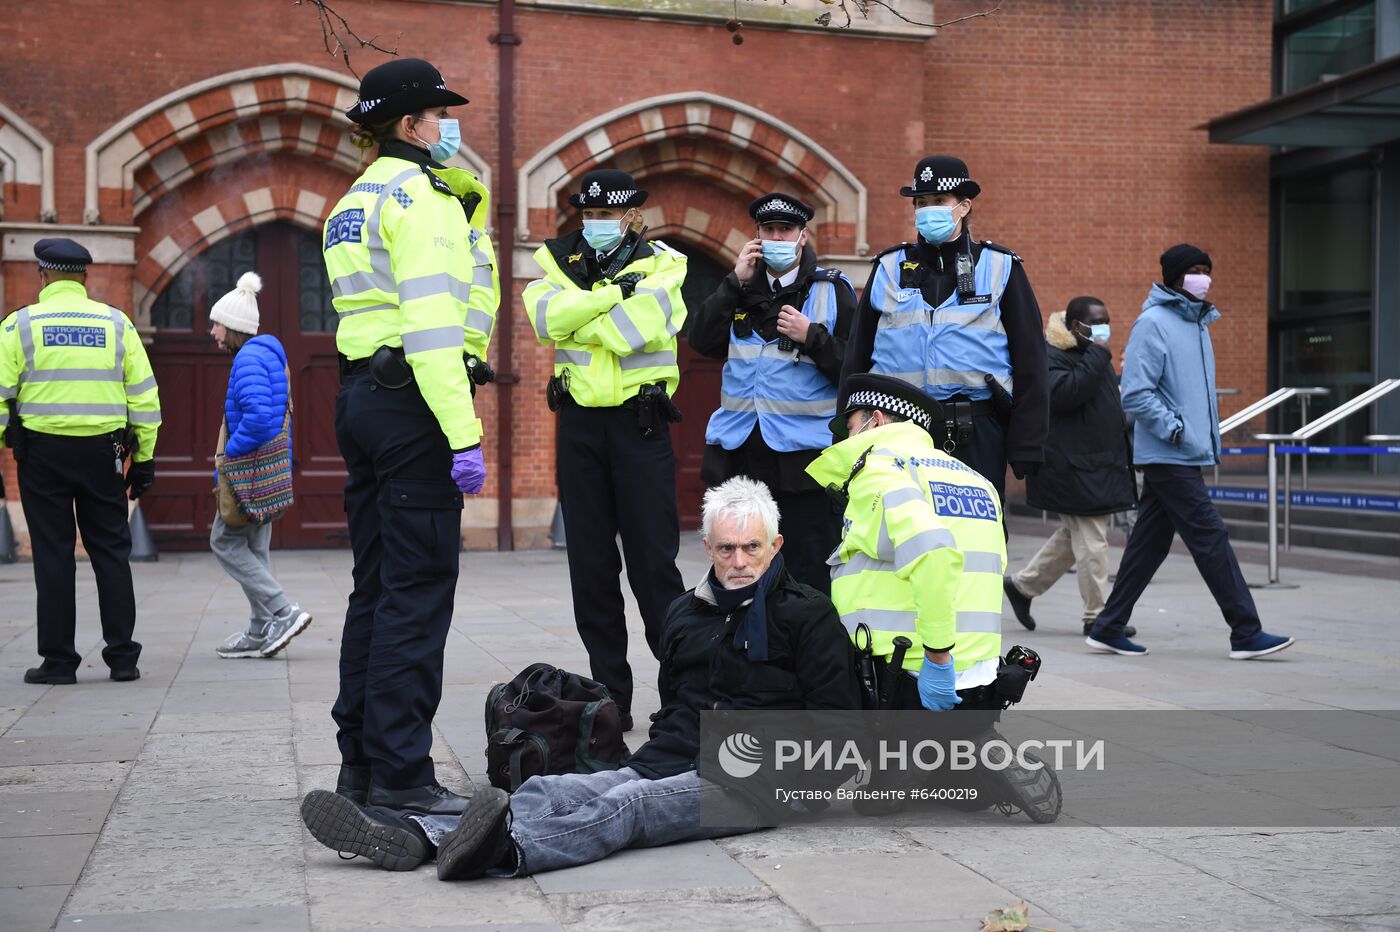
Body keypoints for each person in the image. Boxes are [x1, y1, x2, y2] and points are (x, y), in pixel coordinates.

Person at [300, 476, 860, 876]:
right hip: (674, 759)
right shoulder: (686, 614)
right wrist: (644, 762)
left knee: (628, 808)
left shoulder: (807, 614)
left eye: (752, 548)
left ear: (775, 546)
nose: (740, 561)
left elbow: (840, 728)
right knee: (552, 787)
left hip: (759, 781)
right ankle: (419, 837)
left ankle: (506, 852)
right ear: (708, 547)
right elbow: (675, 708)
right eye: (728, 548)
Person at [317, 58, 499, 817]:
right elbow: (431, 328)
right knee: (417, 596)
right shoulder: (422, 200)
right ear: (410, 124)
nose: (446, 126)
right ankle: (403, 776)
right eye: (437, 115)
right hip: (414, 403)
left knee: (377, 587)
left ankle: (359, 765)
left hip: (362, 394)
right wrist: (463, 434)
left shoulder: (349, 202)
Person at [807, 374, 1060, 821]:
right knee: (947, 782)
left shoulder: (881, 471)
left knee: (801, 645)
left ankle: (916, 751)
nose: (847, 435)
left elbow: (934, 554)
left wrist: (938, 660)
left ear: (875, 420)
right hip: (979, 674)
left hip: (904, 677)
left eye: (849, 424)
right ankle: (961, 749)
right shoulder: (973, 478)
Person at [524, 168, 688, 732]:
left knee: (653, 568)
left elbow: (634, 331)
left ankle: (681, 693)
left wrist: (584, 314)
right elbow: (545, 320)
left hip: (640, 428)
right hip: (579, 429)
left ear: (629, 216)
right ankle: (611, 694)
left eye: (605, 215)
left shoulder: (665, 263)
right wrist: (608, 299)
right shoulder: (554, 260)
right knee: (589, 568)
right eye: (587, 215)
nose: (595, 224)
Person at [1087, 245, 1295, 660]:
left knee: (1150, 544)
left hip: (1183, 452)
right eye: (1194, 271)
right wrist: (1176, 429)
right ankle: (1245, 631)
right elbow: (1138, 394)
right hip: (1169, 453)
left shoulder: (1197, 323)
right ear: (1173, 278)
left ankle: (1108, 626)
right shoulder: (1154, 323)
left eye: (1206, 270)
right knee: (1210, 535)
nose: (1203, 278)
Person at [0, 238, 161, 685]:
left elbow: (0, 397)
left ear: (44, 274)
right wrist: (144, 460)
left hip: (42, 456)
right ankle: (123, 659)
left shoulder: (19, 326)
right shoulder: (117, 324)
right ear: (84, 276)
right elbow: (145, 399)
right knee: (111, 552)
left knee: (53, 556)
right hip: (103, 455)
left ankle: (59, 662)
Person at [840, 156, 1048, 502]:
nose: (928, 210)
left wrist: (1028, 441)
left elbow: (1032, 360)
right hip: (895, 428)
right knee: (895, 534)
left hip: (973, 430)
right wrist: (846, 425)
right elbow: (856, 356)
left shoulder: (1000, 266)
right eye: (921, 203)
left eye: (939, 201)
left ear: (964, 206)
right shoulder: (889, 267)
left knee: (973, 536)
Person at [687, 193, 855, 594]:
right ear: (757, 236)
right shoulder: (739, 289)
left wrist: (812, 336)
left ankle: (805, 652)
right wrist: (733, 281)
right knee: (741, 566)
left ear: (802, 236)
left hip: (804, 461)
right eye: (768, 229)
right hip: (740, 451)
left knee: (808, 569)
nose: (777, 236)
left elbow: (856, 370)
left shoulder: (832, 291)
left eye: (786, 229)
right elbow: (701, 341)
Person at [1003, 297, 1138, 637]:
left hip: (1097, 465)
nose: (1104, 328)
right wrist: (1097, 354)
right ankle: (1098, 617)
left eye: (1107, 320)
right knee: (1092, 541)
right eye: (1096, 321)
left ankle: (1022, 587)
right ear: (1075, 325)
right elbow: (1066, 394)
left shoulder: (1092, 353)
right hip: (1071, 467)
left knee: (1073, 537)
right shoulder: (1051, 354)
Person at [206, 272, 313, 659]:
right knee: (255, 544)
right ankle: (259, 628)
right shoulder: (267, 354)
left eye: (217, 323)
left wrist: (229, 454)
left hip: (248, 471)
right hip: (268, 469)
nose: (213, 331)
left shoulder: (248, 359)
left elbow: (258, 419)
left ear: (233, 327)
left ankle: (283, 611)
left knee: (223, 541)